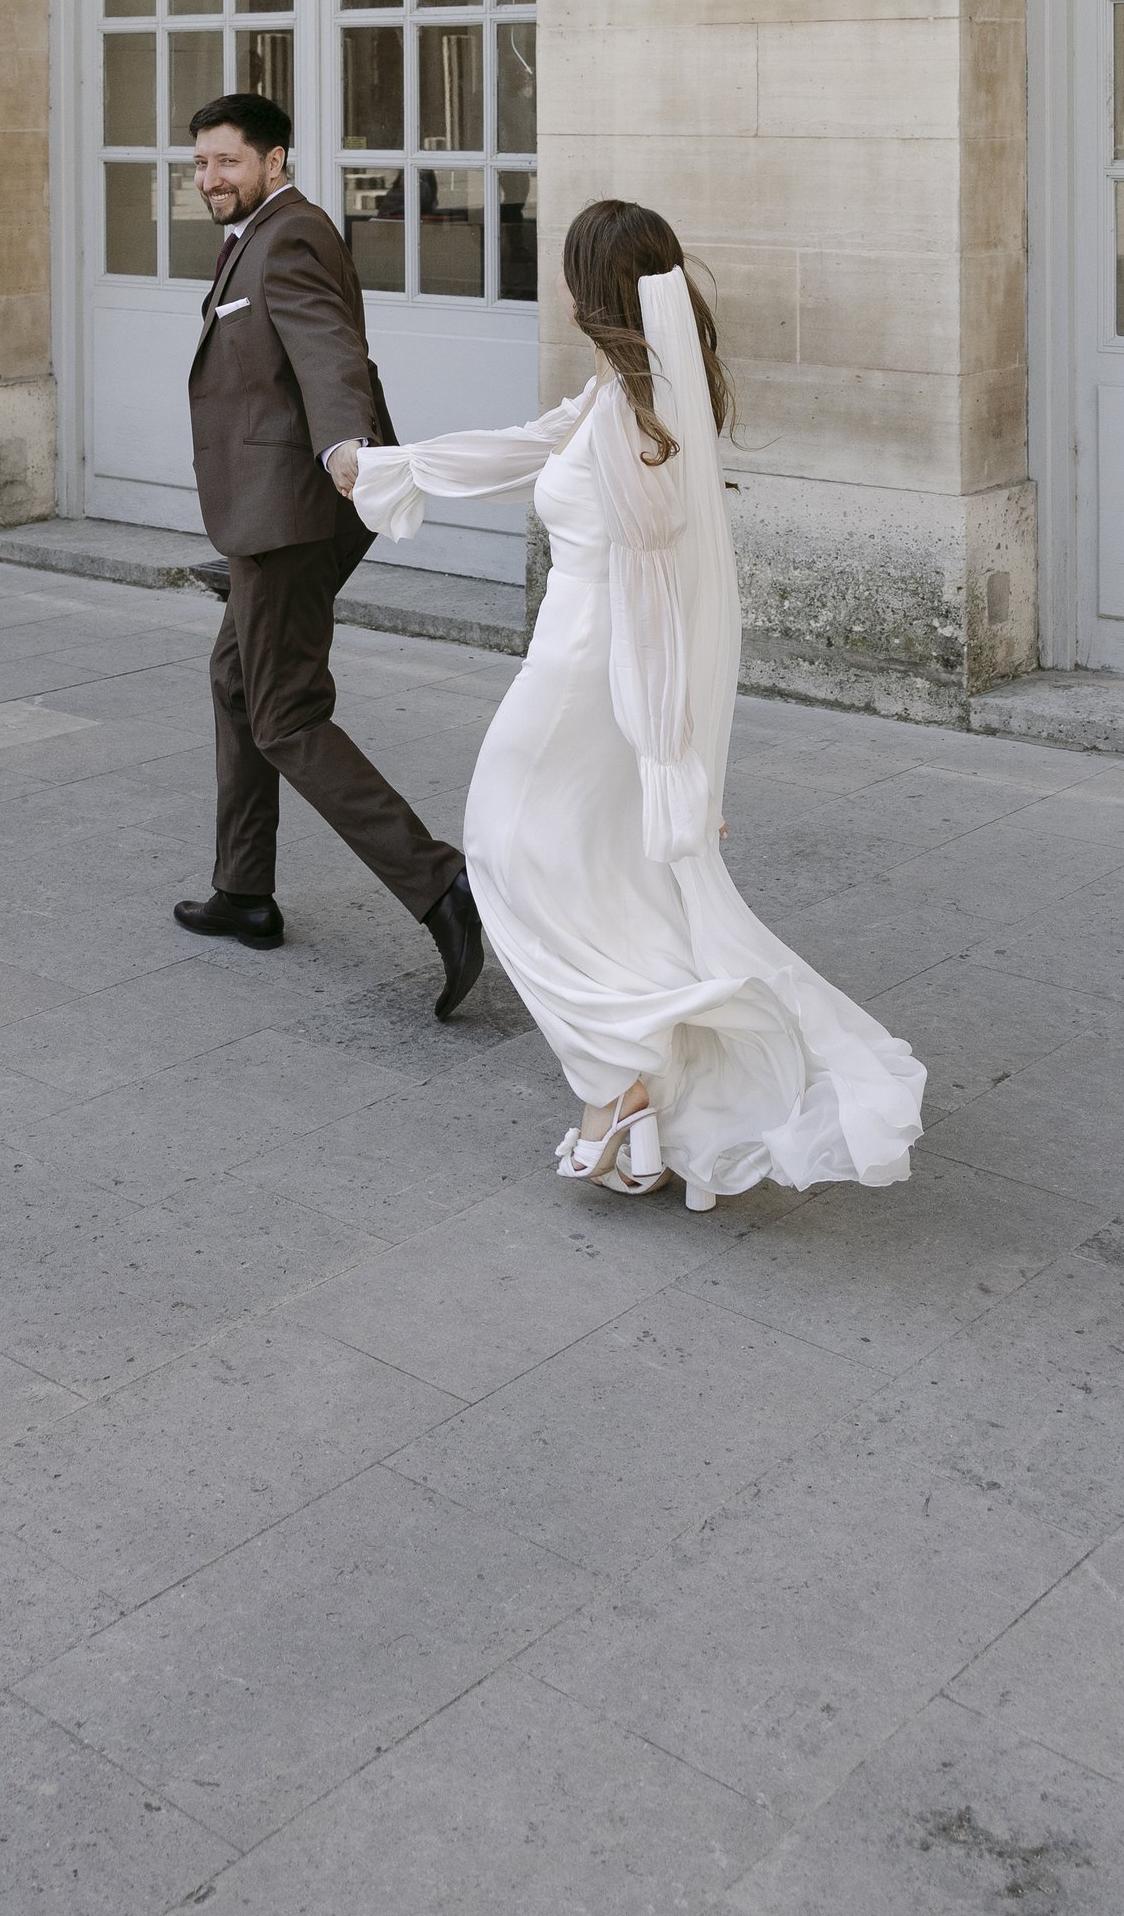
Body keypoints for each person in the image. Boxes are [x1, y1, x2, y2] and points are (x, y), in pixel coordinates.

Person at [331, 198, 924, 1211]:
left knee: (508, 854)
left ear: (588, 289)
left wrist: (670, 757)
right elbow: (527, 447)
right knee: (592, 871)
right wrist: (392, 470)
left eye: (565, 271)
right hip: (581, 660)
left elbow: (657, 604)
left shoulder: (633, 422)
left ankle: (618, 1080)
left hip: (587, 672)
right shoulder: (617, 395)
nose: (557, 287)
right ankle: (632, 1107)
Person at [175, 92, 486, 1022]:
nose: (209, 180)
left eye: (227, 162)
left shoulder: (294, 235)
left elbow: (329, 352)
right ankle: (244, 890)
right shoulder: (256, 233)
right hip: (269, 512)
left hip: (292, 519)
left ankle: (441, 885)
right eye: (200, 164)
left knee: (286, 715)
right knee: (236, 680)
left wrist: (345, 443)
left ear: (274, 160)